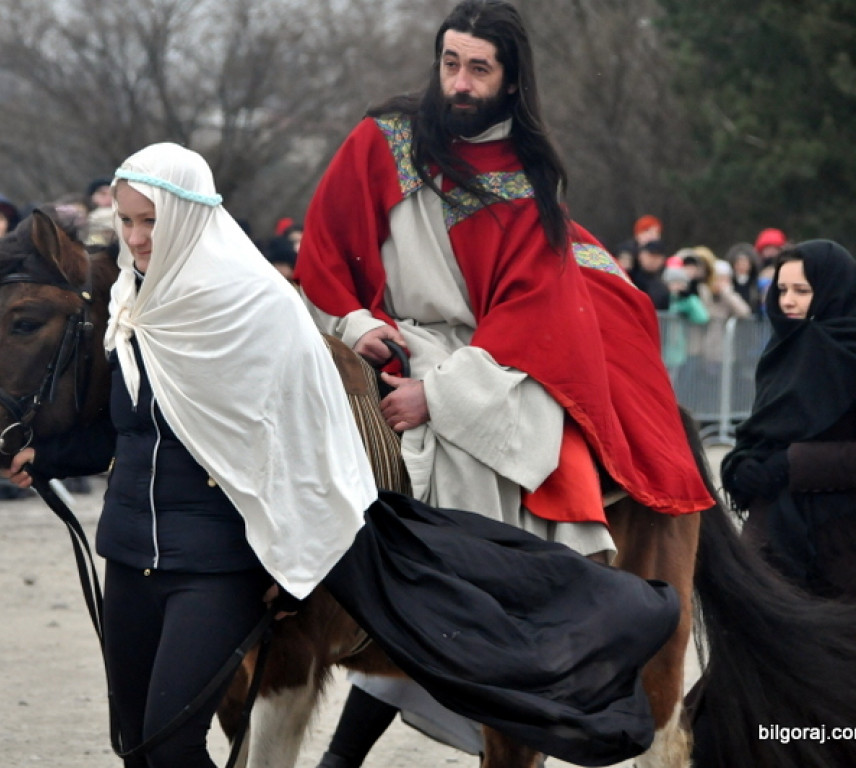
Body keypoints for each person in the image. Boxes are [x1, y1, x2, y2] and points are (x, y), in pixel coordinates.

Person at [293, 1, 711, 763]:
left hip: (489, 360)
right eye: (450, 63)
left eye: (478, 69)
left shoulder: (529, 176)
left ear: (511, 81)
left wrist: (440, 396)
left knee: (500, 470)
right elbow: (324, 249)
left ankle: (514, 646)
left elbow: (529, 316)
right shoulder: (382, 138)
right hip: (383, 334)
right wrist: (352, 324)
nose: (459, 81)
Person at [2, 142, 377, 768]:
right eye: (126, 220)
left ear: (191, 214)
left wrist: (295, 562)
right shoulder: (131, 299)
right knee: (134, 747)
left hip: (216, 565)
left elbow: (306, 443)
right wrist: (45, 457)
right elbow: (130, 429)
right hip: (129, 554)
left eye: (152, 220)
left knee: (172, 748)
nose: (136, 238)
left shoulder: (260, 306)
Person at [722, 240, 856, 601]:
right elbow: (762, 430)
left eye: (802, 290)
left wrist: (792, 464)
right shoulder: (783, 349)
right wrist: (742, 465)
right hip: (772, 529)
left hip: (838, 541)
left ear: (832, 289)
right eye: (782, 289)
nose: (788, 301)